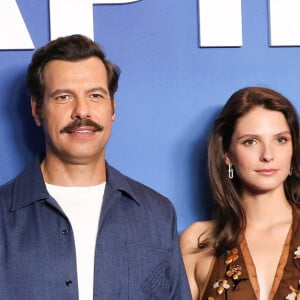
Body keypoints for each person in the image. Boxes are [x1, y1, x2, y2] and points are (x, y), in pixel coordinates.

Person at [0, 34, 192, 300]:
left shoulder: (157, 215)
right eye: (64, 97)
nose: (82, 111)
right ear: (37, 109)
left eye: (95, 95)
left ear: (112, 107)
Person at [180, 86, 300, 300]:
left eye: (280, 139)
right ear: (227, 154)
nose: (268, 155)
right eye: (251, 142)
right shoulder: (198, 241)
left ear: (293, 149)